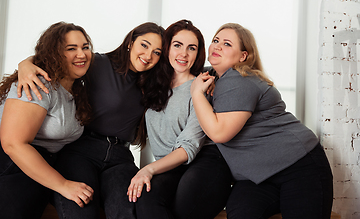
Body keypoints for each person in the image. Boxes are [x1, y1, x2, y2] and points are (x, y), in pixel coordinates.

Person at [16, 22, 165, 219]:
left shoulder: (154, 81)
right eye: (144, 45)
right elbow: (58, 58)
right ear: (130, 43)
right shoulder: (99, 64)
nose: (148, 56)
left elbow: (190, 70)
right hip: (82, 151)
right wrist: (25, 64)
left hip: (121, 158)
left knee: (127, 210)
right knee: (81, 210)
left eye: (156, 52)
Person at [190, 23, 333, 219]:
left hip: (299, 167)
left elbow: (219, 133)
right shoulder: (215, 76)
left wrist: (197, 94)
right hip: (257, 178)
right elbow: (186, 72)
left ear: (243, 56)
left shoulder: (240, 79)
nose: (217, 46)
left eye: (227, 44)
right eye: (215, 40)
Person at [127, 19, 232, 219]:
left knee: (181, 207)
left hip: (205, 161)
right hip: (170, 166)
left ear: (198, 54)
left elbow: (190, 145)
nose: (183, 54)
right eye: (177, 45)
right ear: (166, 48)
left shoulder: (201, 86)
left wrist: (148, 169)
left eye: (191, 48)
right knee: (145, 199)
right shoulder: (151, 83)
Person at [0, 22, 94, 219]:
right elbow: (13, 144)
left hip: (40, 167)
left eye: (85, 47)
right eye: (71, 49)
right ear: (55, 53)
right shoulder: (37, 84)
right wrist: (63, 185)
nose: (81, 54)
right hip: (11, 165)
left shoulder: (75, 89)